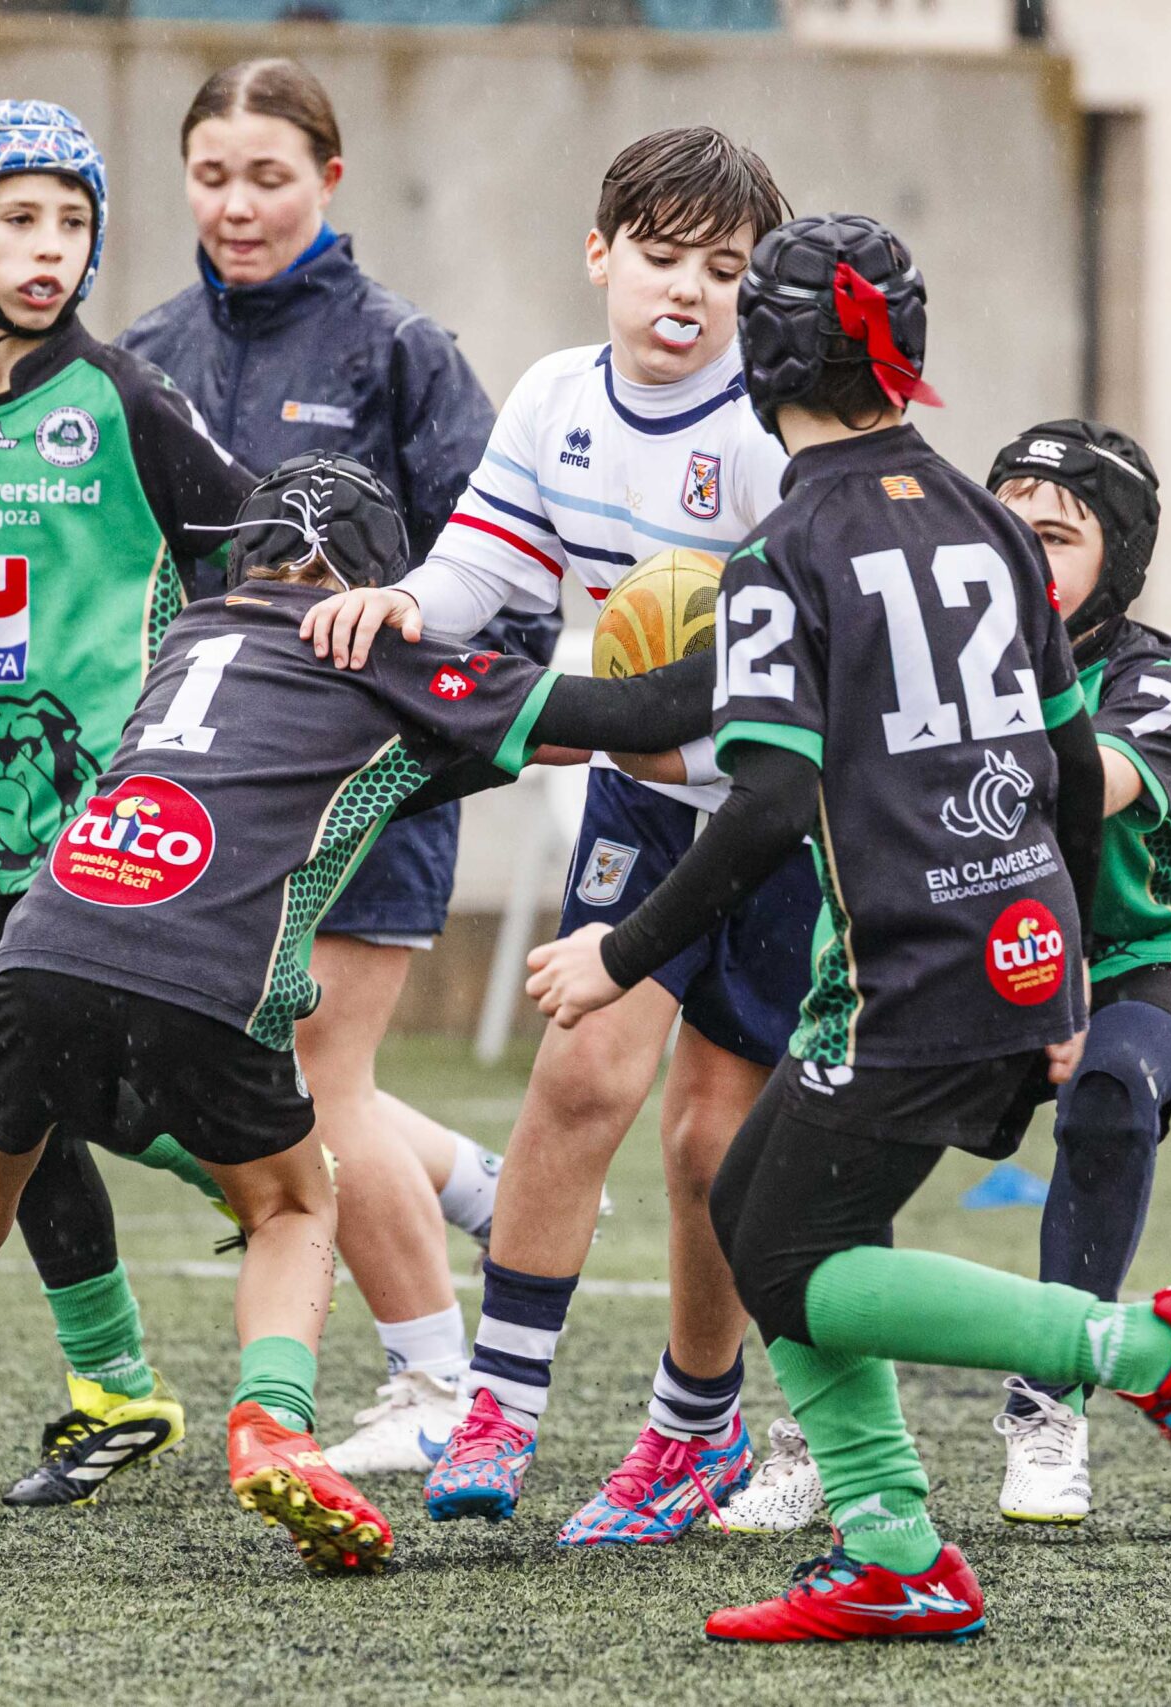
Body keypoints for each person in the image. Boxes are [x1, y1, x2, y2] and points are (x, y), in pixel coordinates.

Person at [523, 214, 1171, 1644]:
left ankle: (1147, 1350)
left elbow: (763, 802)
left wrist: (618, 952)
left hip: (907, 966)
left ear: (764, 360)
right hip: (1006, 950)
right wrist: (1060, 975)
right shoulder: (984, 524)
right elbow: (1064, 777)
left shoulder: (789, 545)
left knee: (784, 1249)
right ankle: (894, 1551)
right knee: (763, 1218)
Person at [0, 452, 720, 1583]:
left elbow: (330, 761)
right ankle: (274, 1425)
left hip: (48, 939)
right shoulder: (383, 650)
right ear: (382, 581)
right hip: (212, 974)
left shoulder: (191, 633)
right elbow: (633, 716)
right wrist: (773, 642)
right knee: (293, 1204)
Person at [302, 127, 799, 1545]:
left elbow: (777, 680)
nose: (686, 291)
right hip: (644, 801)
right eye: (660, 256)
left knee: (709, 1145)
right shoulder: (554, 396)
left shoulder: (770, 432)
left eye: (724, 268)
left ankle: (694, 1430)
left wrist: (625, 729)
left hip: (777, 822)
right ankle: (501, 1403)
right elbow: (485, 564)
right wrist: (407, 604)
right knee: (577, 1077)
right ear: (599, 255)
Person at [111, 56, 556, 1477]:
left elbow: (508, 573)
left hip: (367, 782)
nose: (236, 205)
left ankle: (436, 1381)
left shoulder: (399, 351)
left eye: (269, 177)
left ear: (330, 178)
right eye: (211, 177)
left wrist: (434, 729)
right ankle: (474, 1180)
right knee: (207, 1071)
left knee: (313, 1073)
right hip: (207, 794)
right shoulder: (143, 355)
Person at [712, 419, 1171, 1537]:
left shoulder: (1146, 672)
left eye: (1058, 535)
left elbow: (1073, 791)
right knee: (822, 1171)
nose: (1024, 547)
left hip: (1145, 957)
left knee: (1109, 1088)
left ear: (1120, 563)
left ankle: (1052, 1405)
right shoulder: (919, 641)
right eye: (1009, 521)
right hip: (980, 956)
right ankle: (834, 1445)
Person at [0, 101, 255, 1514]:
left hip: (116, 822)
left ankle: (284, 1183)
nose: (49, 248)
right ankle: (121, 1381)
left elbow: (252, 547)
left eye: (73, 222)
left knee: (46, 1091)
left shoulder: (128, 399)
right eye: (19, 218)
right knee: (35, 1107)